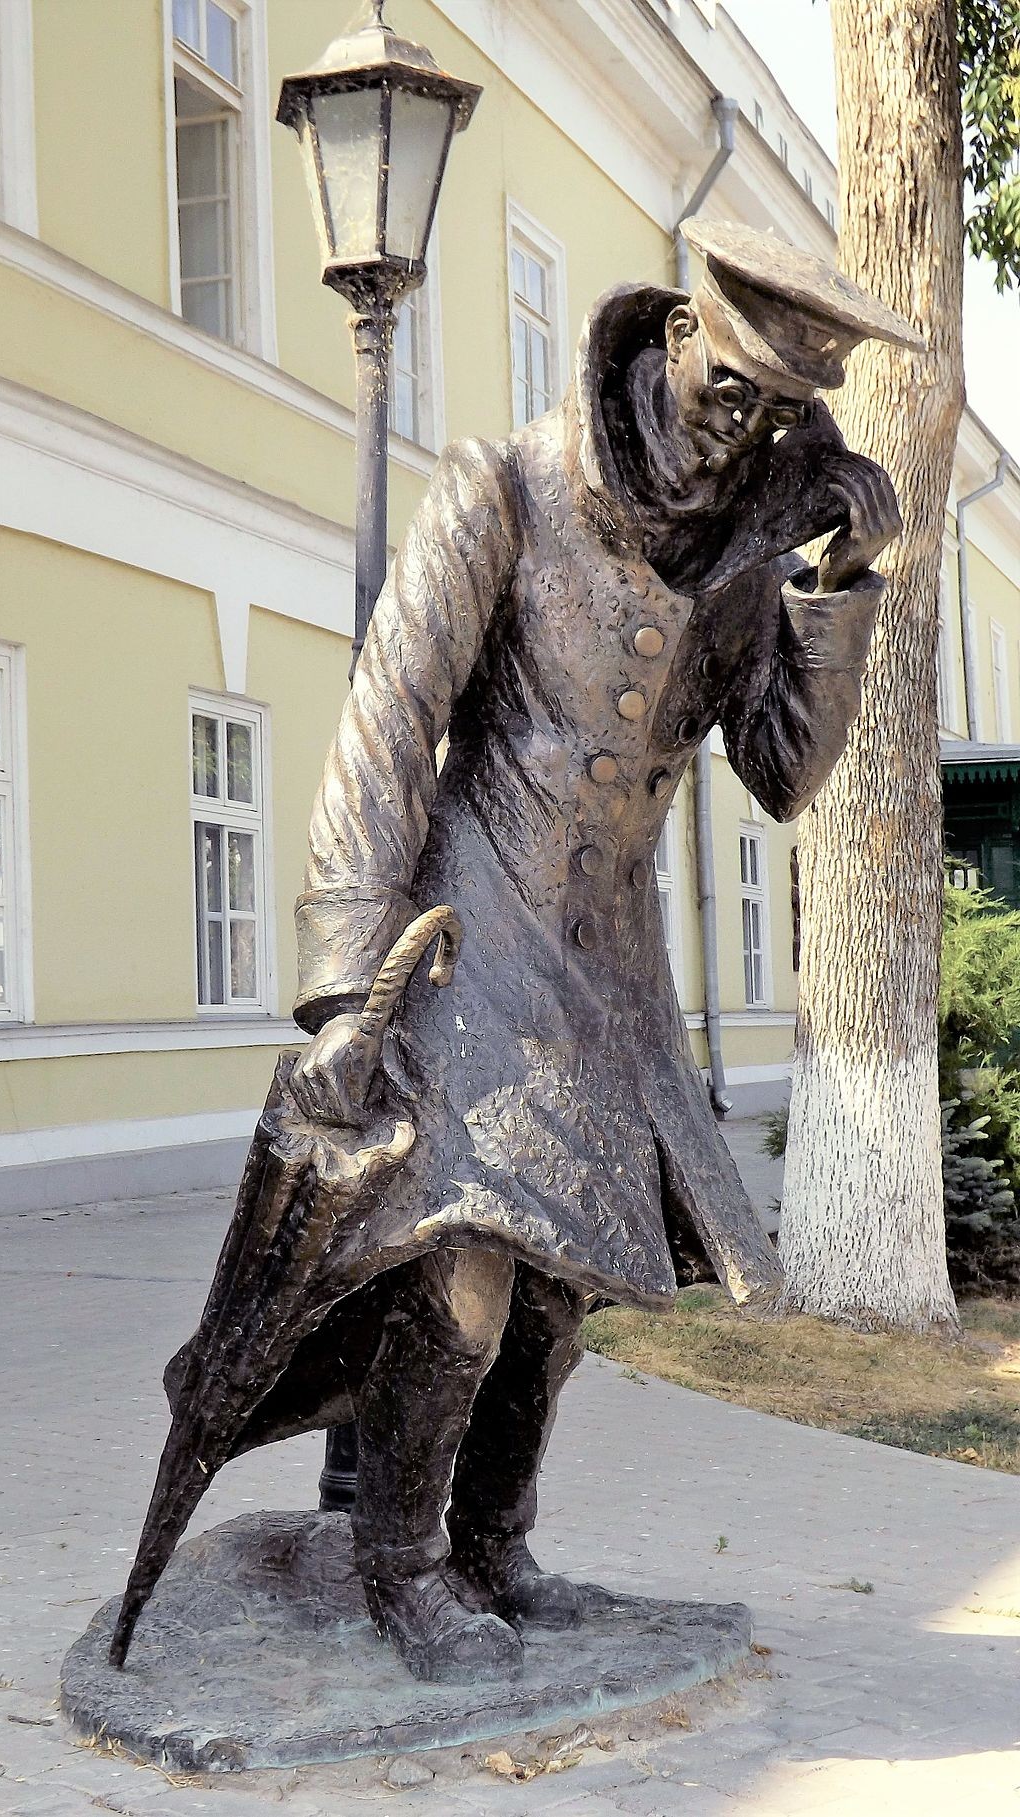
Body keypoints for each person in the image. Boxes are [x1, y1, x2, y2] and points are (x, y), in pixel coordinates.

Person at [240, 221, 919, 1685]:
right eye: (734, 384)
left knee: (561, 1288)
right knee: (473, 1254)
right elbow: (385, 724)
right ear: (679, 335)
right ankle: (402, 1559)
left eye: (787, 411)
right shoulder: (508, 484)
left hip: (608, 963)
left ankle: (495, 1542)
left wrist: (837, 591)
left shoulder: (751, 548)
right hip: (468, 925)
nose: (750, 425)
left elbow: (787, 775)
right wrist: (349, 984)